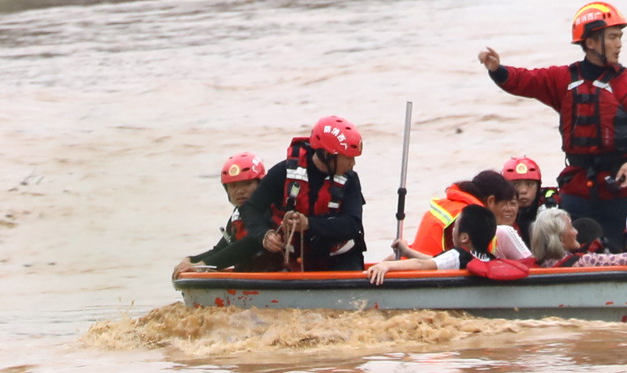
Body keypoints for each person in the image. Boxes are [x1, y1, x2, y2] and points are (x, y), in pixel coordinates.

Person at [480, 1, 627, 249]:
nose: (619, 44)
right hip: (578, 190)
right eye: (612, 37)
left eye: (620, 37)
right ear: (590, 42)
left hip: (624, 191)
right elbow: (525, 80)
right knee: (568, 248)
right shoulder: (562, 80)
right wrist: (497, 69)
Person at [249, 115, 369, 273]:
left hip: (339, 258)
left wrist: (309, 224)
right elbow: (250, 209)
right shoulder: (282, 172)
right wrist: (264, 235)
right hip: (291, 256)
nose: (352, 164)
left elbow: (353, 224)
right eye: (348, 158)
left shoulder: (350, 180)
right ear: (327, 155)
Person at [368, 199, 531, 281]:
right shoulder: (488, 257)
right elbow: (437, 260)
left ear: (464, 237)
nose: (452, 229)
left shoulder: (458, 255)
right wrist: (408, 252)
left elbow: (423, 265)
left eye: (456, 226)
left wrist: (386, 265)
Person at [177, 150, 273, 273]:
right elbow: (222, 249)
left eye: (247, 184)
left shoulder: (269, 212)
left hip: (277, 275)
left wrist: (203, 265)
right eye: (233, 186)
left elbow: (250, 244)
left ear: (260, 184)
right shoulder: (237, 215)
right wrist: (190, 260)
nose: (239, 191)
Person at [407, 168, 515, 258]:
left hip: (411, 267)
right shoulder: (471, 218)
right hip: (427, 274)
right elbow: (460, 262)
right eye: (504, 204)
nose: (508, 209)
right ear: (491, 201)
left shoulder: (451, 206)